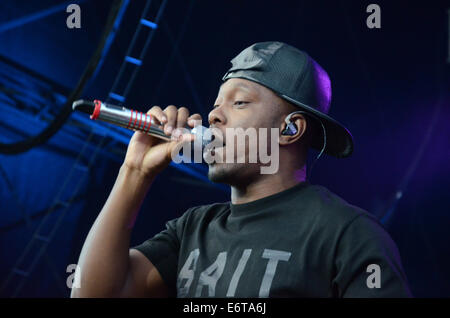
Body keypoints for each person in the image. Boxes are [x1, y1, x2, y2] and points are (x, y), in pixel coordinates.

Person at [71, 42, 412, 298]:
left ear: (290, 129)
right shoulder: (194, 228)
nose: (214, 116)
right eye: (216, 105)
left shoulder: (347, 234)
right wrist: (134, 171)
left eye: (239, 102)